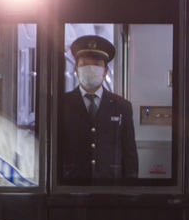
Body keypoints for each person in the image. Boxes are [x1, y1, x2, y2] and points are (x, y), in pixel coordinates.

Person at [58, 34, 138, 182]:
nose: (91, 69)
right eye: (84, 65)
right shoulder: (61, 104)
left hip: (111, 185)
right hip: (71, 186)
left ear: (105, 71)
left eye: (96, 65)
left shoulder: (122, 106)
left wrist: (131, 187)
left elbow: (129, 152)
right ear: (76, 70)